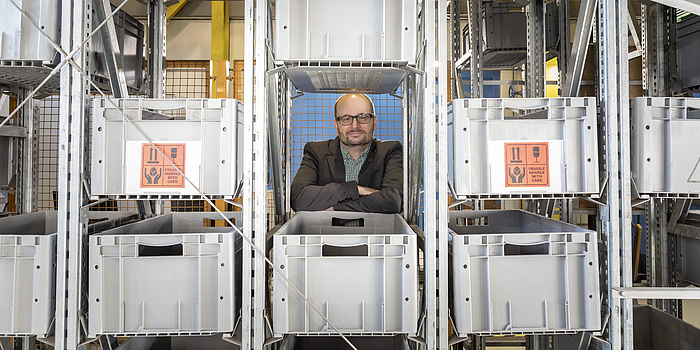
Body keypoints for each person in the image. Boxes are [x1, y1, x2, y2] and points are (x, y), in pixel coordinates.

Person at [290, 94, 402, 213]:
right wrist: (356, 190)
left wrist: (337, 208)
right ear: (336, 125)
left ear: (374, 122)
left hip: (377, 231)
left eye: (363, 117)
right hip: (328, 232)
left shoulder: (390, 151)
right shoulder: (316, 152)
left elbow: (394, 202)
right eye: (346, 118)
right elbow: (299, 198)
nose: (355, 126)